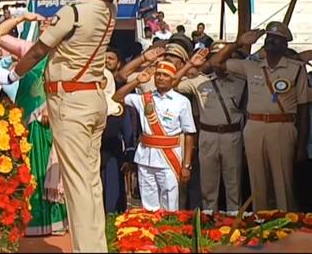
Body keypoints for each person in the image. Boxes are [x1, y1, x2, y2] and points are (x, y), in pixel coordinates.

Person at [0, 0, 134, 252]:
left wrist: (11, 74)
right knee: (90, 181)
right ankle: (96, 246)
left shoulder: (75, 10)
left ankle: (87, 249)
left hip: (71, 99)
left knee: (77, 184)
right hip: (92, 98)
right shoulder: (108, 10)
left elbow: (37, 51)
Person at [210, 22, 309, 212]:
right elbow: (216, 63)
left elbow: (303, 109)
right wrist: (237, 44)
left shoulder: (296, 69)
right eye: (268, 38)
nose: (270, 41)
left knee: (282, 182)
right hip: (254, 126)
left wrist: (301, 146)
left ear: (285, 44)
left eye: (276, 39)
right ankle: (260, 223)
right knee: (258, 182)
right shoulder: (251, 66)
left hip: (283, 126)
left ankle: (285, 225)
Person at [0, 11, 69, 236]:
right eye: (45, 23)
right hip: (23, 114)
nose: (46, 25)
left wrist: (49, 106)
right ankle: (24, 218)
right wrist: (22, 17)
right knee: (23, 165)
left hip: (45, 116)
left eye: (52, 24)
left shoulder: (64, 54)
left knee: (42, 165)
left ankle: (48, 221)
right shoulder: (28, 48)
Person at [113, 61, 197, 211]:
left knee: (170, 203)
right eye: (158, 74)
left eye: (165, 75)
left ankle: (168, 232)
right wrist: (137, 80)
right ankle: (149, 232)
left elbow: (189, 134)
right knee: (148, 205)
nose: (160, 78)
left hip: (169, 158)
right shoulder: (144, 98)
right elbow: (117, 98)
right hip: (145, 156)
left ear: (173, 79)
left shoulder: (182, 102)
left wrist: (186, 165)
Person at [173, 43, 246, 214]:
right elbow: (173, 83)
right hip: (208, 135)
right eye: (215, 57)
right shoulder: (199, 81)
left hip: (232, 134)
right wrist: (190, 65)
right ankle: (208, 222)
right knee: (208, 185)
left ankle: (234, 223)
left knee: (234, 184)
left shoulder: (241, 80)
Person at [101, 46, 136, 214]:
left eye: (111, 58)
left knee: (112, 192)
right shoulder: (85, 102)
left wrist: (128, 155)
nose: (107, 61)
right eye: (104, 58)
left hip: (112, 155)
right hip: (91, 155)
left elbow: (127, 131)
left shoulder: (119, 104)